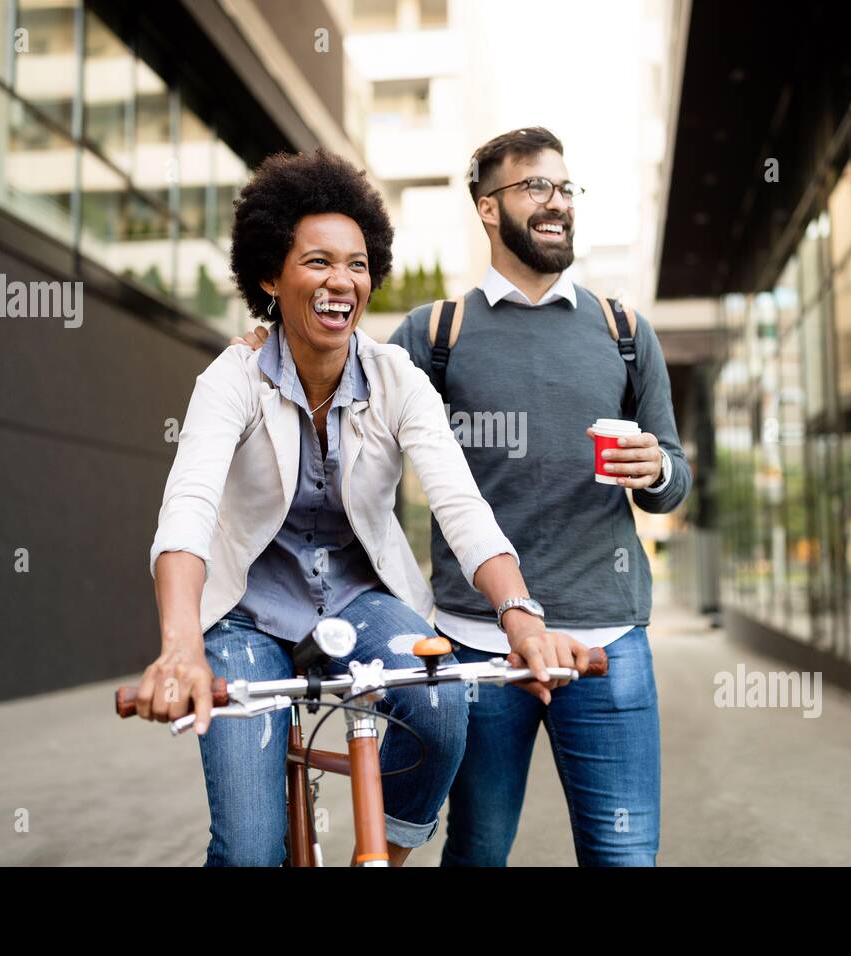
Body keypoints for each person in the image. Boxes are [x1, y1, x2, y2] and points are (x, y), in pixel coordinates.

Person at [236, 128, 691, 866]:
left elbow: (673, 475)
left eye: (566, 189)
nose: (557, 204)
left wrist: (660, 470)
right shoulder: (435, 333)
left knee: (626, 857)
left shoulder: (626, 332)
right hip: (477, 645)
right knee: (478, 850)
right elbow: (337, 363)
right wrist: (267, 342)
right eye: (536, 187)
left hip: (610, 645)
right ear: (488, 207)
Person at [136, 147, 588, 867]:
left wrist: (520, 616)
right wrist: (181, 646)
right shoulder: (233, 378)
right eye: (316, 262)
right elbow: (187, 509)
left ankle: (381, 857)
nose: (340, 281)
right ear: (269, 276)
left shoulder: (396, 377)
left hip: (357, 599)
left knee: (441, 708)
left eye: (355, 263)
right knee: (252, 850)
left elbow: (459, 503)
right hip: (247, 613)